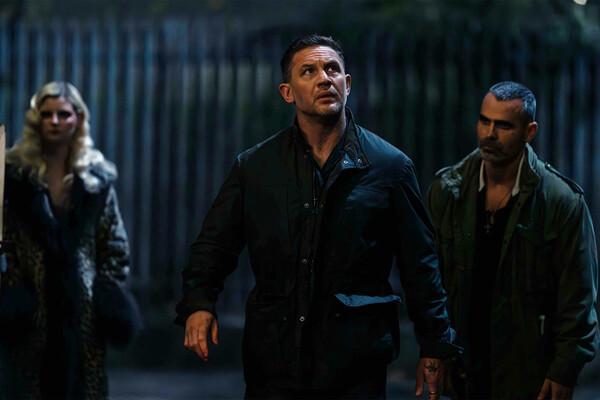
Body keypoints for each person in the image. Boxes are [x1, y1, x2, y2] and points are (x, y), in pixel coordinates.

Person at [175, 34, 461, 399]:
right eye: (309, 71)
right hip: (274, 361)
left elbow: (420, 265)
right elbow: (214, 245)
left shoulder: (390, 167)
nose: (324, 78)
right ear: (288, 92)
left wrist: (435, 345)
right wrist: (199, 303)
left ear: (347, 84)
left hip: (355, 364)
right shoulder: (256, 167)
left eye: (332, 69)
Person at [426, 81, 598, 399]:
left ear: (529, 131)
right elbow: (429, 283)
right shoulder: (448, 190)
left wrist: (564, 370)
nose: (490, 134)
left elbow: (579, 297)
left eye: (504, 125)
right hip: (464, 369)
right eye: (484, 121)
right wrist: (434, 350)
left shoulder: (560, 201)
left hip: (527, 373)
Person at [0, 81, 141, 399]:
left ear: (78, 118)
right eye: (46, 114)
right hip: (28, 317)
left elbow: (114, 244)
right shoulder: (14, 175)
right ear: (36, 119)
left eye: (63, 114)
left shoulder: (95, 180)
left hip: (81, 316)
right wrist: (12, 291)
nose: (54, 121)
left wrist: (101, 294)